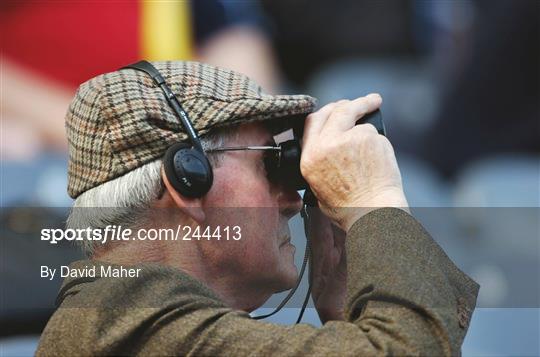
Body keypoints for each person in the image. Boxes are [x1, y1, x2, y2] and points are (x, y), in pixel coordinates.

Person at [36, 61, 478, 356]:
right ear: (188, 181)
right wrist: (375, 200)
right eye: (271, 162)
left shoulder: (152, 321)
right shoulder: (122, 319)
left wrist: (351, 313)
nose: (293, 198)